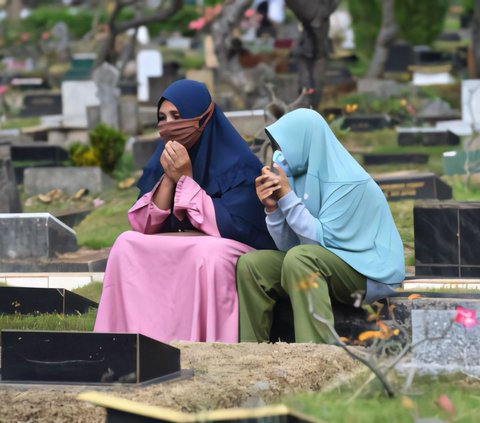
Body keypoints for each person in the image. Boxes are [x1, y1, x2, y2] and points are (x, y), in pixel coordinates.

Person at [94, 79, 275, 343]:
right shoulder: (162, 159)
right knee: (125, 242)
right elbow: (144, 226)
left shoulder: (241, 164)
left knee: (207, 253)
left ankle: (204, 344)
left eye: (177, 117)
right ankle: (125, 340)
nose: (168, 125)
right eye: (162, 118)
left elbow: (233, 228)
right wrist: (170, 176)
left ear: (203, 117)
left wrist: (187, 181)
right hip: (185, 243)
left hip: (228, 246)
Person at [236, 108, 405, 344]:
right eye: (275, 148)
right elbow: (289, 246)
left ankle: (315, 351)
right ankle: (251, 353)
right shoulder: (297, 177)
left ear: (304, 142)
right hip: (323, 262)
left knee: (302, 258)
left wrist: (286, 196)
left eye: (282, 147)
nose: (276, 155)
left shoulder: (348, 182)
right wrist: (273, 209)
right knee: (252, 265)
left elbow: (316, 244)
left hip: (368, 271)